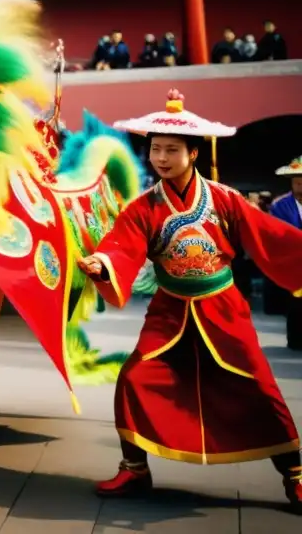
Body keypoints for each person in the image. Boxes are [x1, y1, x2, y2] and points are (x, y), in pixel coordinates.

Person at [77, 89, 302, 513]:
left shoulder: (224, 199)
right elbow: (122, 246)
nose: (160, 157)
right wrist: (102, 264)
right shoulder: (144, 207)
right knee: (134, 379)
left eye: (171, 150)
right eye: (155, 149)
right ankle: (134, 469)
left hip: (222, 307)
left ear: (193, 152)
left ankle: (296, 477)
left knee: (259, 386)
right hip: (170, 309)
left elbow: (269, 236)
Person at [271, 157, 302, 350]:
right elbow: (276, 232)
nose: (300, 184)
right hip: (294, 261)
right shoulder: (280, 205)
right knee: (296, 303)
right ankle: (296, 339)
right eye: (297, 181)